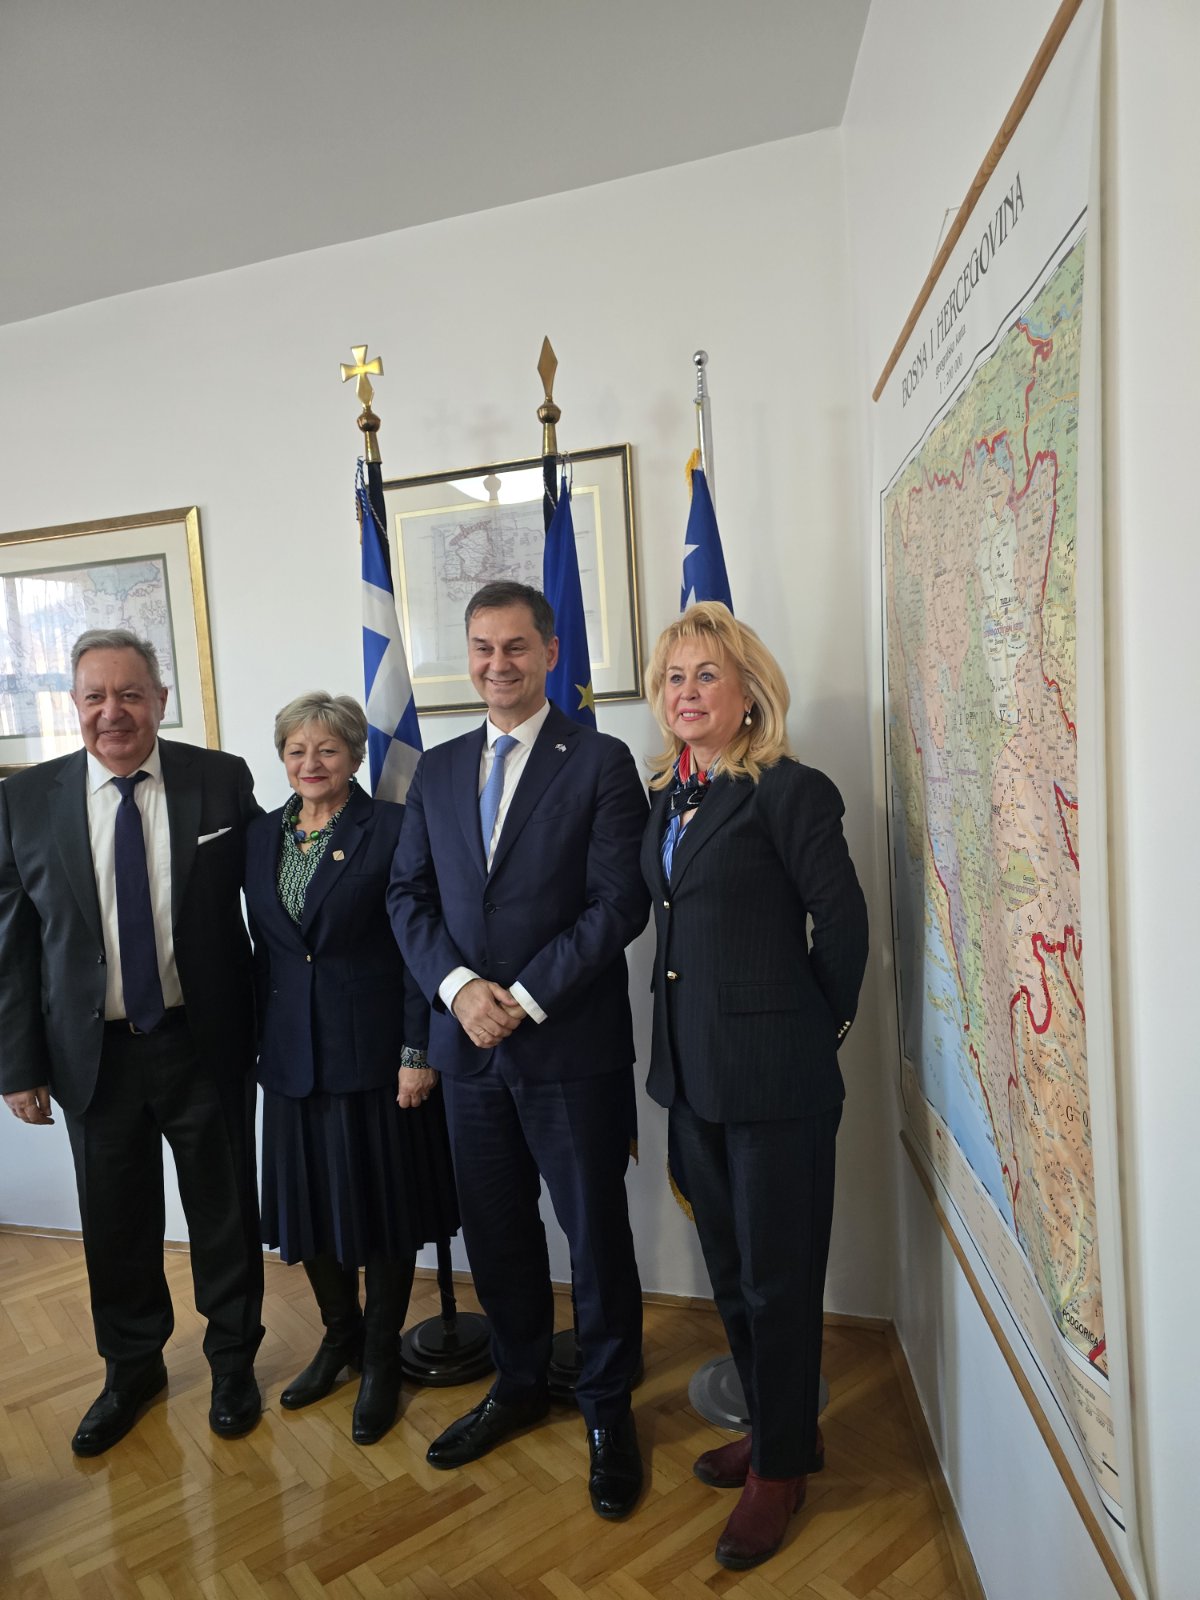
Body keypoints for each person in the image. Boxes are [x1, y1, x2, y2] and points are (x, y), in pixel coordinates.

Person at [388, 580, 649, 1519]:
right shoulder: (438, 769)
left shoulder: (602, 760)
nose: (497, 664)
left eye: (515, 647)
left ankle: (608, 1408)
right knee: (496, 1231)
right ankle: (519, 1381)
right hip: (467, 1051)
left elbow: (618, 903)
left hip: (566, 1045)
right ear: (468, 658)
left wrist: (524, 998)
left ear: (549, 653)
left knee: (595, 1236)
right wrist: (461, 991)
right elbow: (407, 897)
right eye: (482, 648)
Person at [641, 602, 868, 1572]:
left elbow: (843, 926)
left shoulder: (790, 791)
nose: (686, 692)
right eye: (674, 677)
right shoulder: (668, 796)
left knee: (780, 1280)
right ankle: (785, 1431)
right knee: (731, 1274)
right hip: (691, 1080)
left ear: (749, 695)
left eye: (707, 675)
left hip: (777, 1085)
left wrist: (812, 1034)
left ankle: (780, 1469)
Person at [0, 628, 265, 1455]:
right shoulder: (24, 800)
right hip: (93, 1056)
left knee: (224, 1212)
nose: (112, 712)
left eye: (130, 694)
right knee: (115, 1222)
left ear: (159, 699)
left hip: (204, 1042)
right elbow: (11, 947)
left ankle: (233, 1362)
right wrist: (17, 1064)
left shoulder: (219, 779)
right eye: (95, 696)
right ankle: (131, 1368)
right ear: (74, 705)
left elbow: (272, 896)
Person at [244, 692, 458, 1444]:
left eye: (327, 750)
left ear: (356, 756)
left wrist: (417, 1052)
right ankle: (340, 1336)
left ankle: (381, 1356)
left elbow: (418, 947)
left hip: (375, 1059)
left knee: (382, 1213)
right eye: (297, 750)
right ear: (282, 758)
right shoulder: (259, 836)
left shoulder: (392, 828)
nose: (311, 763)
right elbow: (264, 949)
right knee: (310, 1210)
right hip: (290, 1059)